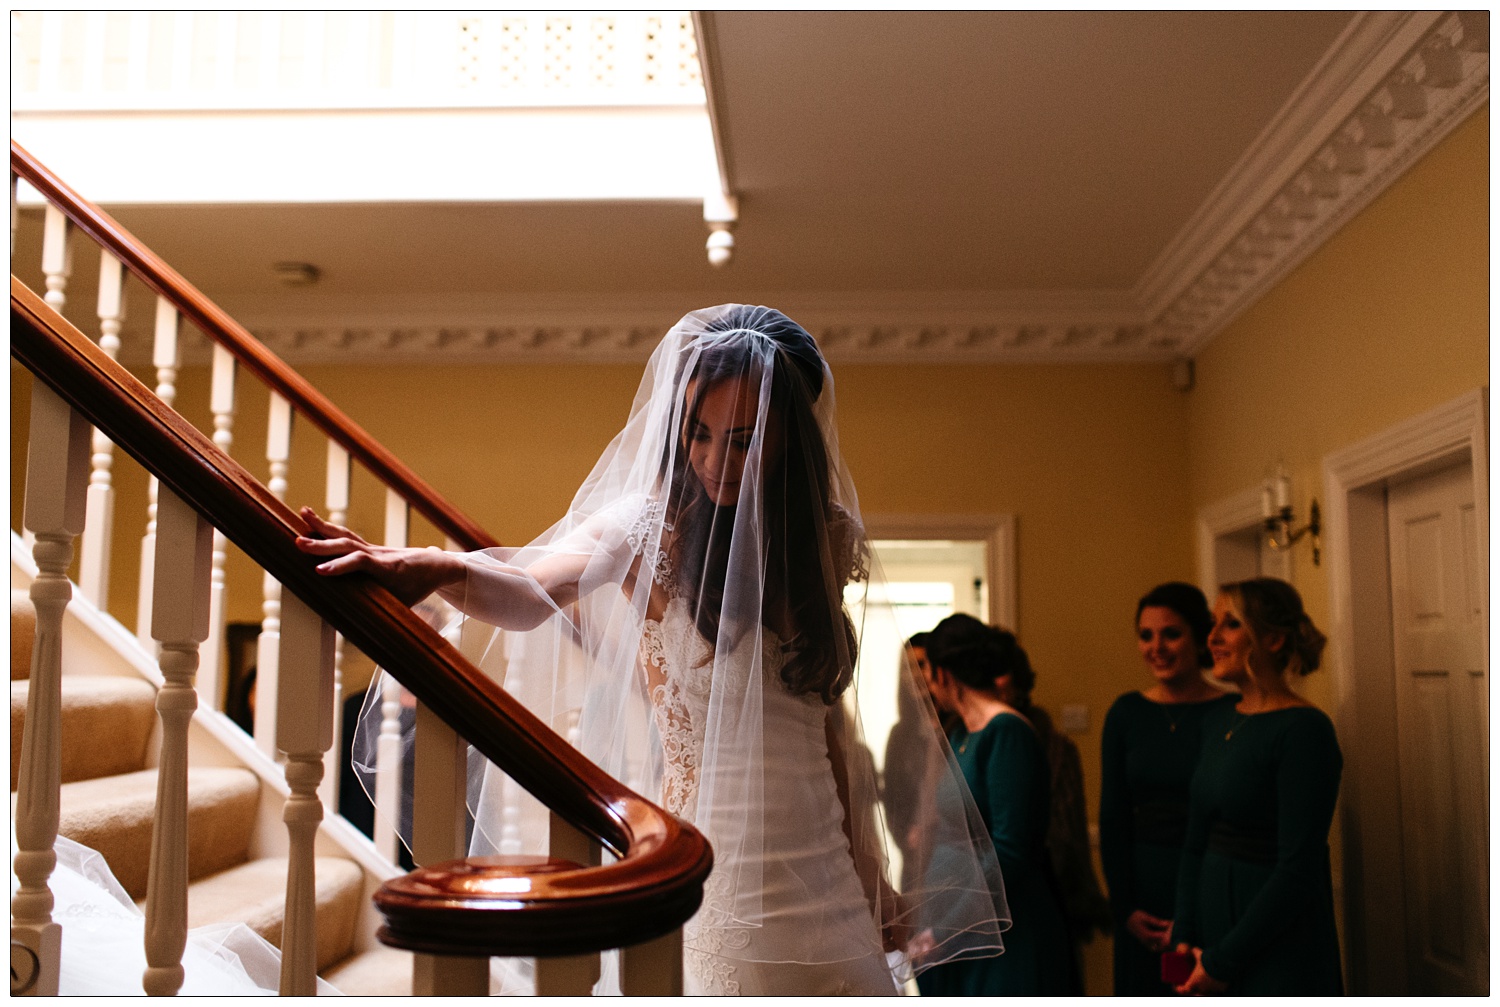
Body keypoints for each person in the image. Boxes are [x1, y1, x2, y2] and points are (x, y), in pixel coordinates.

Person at [295, 304, 1007, 995]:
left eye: (741, 440)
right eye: (698, 433)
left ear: (788, 437)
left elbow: (830, 731)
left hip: (825, 881)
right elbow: (528, 587)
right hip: (714, 873)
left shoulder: (824, 537)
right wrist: (431, 566)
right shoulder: (649, 526)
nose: (713, 459)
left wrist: (871, 876)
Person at [1171, 578, 1343, 995]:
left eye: (1230, 624)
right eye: (1213, 624)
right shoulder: (1220, 719)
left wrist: (1222, 961)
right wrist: (1183, 942)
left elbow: (1297, 870)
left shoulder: (1304, 730)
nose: (1211, 638)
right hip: (1207, 930)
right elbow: (1195, 842)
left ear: (1273, 639)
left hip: (1273, 938)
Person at [914, 613, 1080, 995]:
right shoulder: (960, 733)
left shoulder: (1007, 733)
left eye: (927, 669)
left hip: (1005, 928)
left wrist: (945, 927)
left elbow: (1011, 850)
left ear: (944, 674)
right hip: (961, 921)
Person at [1098, 581, 1235, 994]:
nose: (1157, 646)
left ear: (1200, 638)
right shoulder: (1126, 712)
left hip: (1209, 881)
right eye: (1146, 635)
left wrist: (1197, 912)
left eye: (1171, 633)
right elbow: (1113, 814)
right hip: (1142, 886)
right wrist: (1125, 907)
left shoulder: (1231, 711)